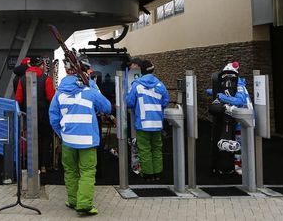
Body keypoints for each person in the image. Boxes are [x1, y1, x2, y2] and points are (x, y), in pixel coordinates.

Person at [49, 57, 111, 216]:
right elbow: (107, 107)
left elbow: (54, 118)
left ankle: (73, 201)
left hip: (68, 139)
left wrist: (62, 134)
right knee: (87, 172)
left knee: (70, 171)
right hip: (87, 140)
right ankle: (84, 205)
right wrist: (93, 86)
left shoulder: (59, 93)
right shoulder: (90, 90)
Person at [125, 59, 169, 181]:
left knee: (144, 149)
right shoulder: (160, 85)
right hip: (157, 123)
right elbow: (165, 102)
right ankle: (158, 173)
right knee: (157, 148)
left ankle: (148, 174)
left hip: (142, 123)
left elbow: (129, 102)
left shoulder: (136, 85)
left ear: (141, 71)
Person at [206, 61, 251, 175]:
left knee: (241, 143)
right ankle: (236, 165)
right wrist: (215, 91)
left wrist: (222, 97)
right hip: (238, 118)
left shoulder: (239, 85)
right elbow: (219, 92)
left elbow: (239, 100)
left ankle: (240, 167)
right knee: (237, 142)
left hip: (244, 119)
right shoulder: (232, 84)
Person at [15, 57, 55, 172]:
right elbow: (51, 98)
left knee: (31, 139)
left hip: (28, 114)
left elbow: (18, 99)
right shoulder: (45, 79)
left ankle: (32, 165)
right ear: (41, 65)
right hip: (44, 115)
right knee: (46, 138)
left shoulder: (22, 80)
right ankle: (44, 165)